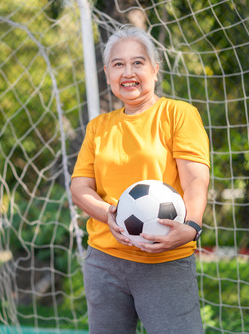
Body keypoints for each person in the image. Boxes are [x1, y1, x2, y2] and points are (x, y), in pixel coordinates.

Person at [70, 26, 210, 334]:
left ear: (155, 69)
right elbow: (79, 187)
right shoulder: (99, 127)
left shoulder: (178, 114)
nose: (128, 72)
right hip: (104, 261)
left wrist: (192, 227)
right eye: (118, 64)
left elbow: (195, 179)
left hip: (164, 260)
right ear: (107, 73)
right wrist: (106, 214)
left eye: (138, 62)